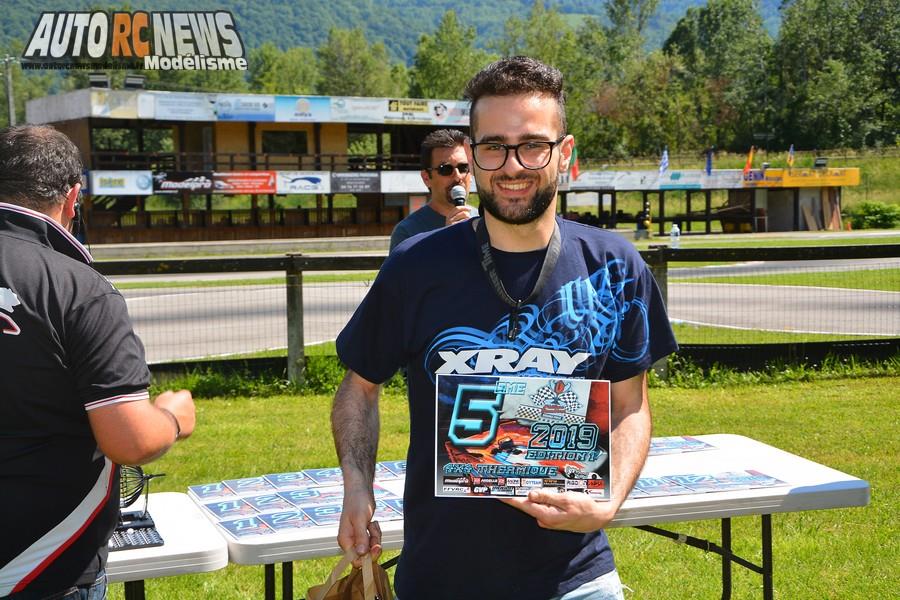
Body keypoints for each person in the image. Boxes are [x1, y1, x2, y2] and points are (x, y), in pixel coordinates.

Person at [332, 57, 677, 600]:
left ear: (565, 153)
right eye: (494, 146)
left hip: (577, 581)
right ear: (471, 156)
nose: (512, 165)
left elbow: (630, 404)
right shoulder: (416, 266)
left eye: (533, 145)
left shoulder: (614, 266)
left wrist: (609, 500)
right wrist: (358, 488)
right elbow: (360, 388)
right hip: (441, 578)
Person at [0, 125, 196, 600]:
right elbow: (129, 439)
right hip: (42, 563)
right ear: (73, 198)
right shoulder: (79, 289)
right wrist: (172, 417)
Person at [388, 128, 475, 252]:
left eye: (463, 168)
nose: (457, 176)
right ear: (426, 178)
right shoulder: (407, 232)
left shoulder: (486, 221)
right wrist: (446, 240)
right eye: (445, 169)